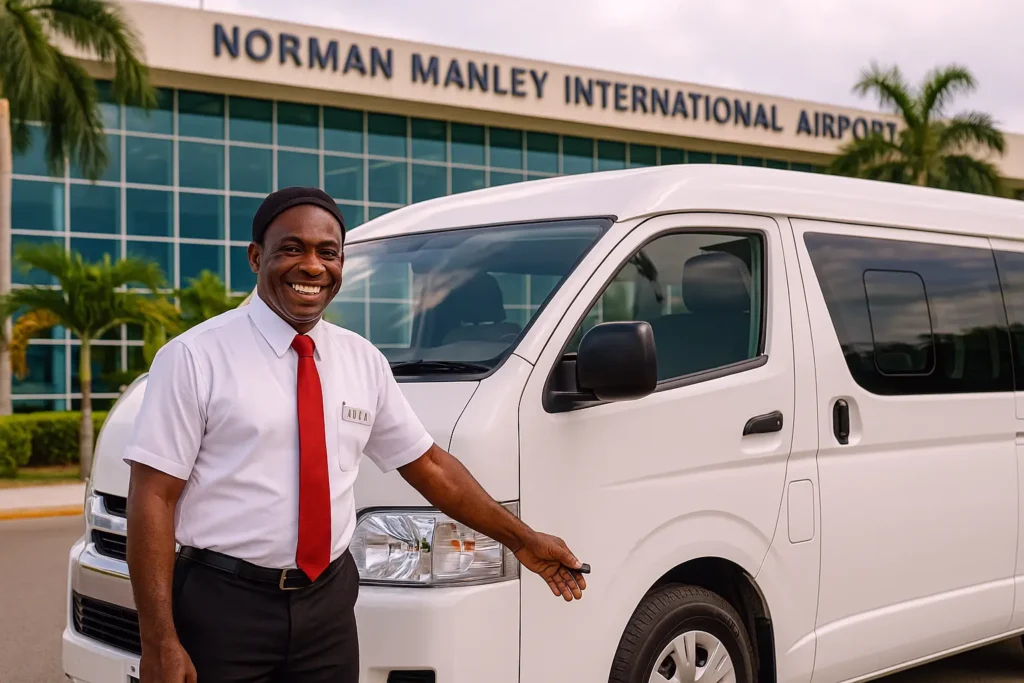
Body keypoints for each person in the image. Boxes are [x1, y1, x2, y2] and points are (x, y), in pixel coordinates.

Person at [123, 186, 587, 683]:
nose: (313, 266)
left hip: (327, 607)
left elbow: (428, 466)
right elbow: (152, 497)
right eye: (292, 248)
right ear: (257, 257)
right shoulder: (195, 357)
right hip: (224, 607)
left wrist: (522, 540)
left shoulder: (361, 360)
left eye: (328, 253)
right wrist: (159, 641)